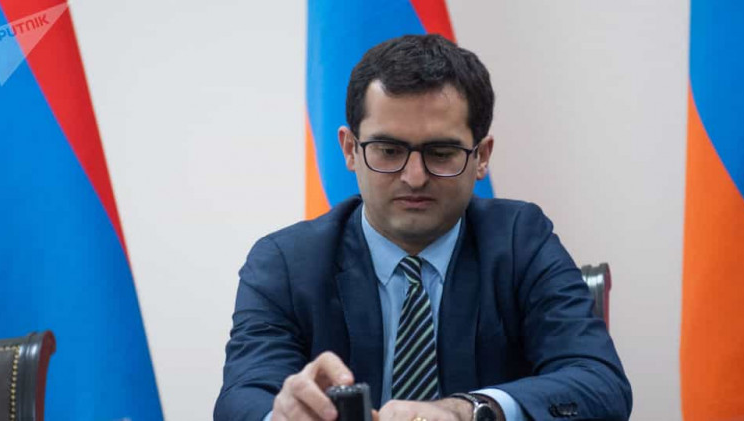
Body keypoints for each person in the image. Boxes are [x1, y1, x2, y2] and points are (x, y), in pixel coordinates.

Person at [215, 34, 632, 421]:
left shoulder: (520, 240)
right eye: (388, 150)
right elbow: (241, 398)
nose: (414, 177)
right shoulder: (286, 263)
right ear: (350, 150)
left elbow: (600, 382)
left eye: (441, 152)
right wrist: (282, 414)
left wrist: (469, 411)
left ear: (482, 157)